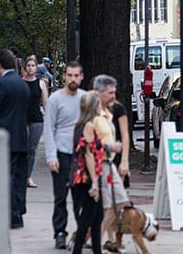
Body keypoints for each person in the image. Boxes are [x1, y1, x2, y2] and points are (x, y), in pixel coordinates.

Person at [43, 59, 85, 249]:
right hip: (61, 153)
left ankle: (83, 233)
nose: (73, 79)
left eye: (76, 75)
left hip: (82, 155)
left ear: (82, 77)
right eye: (70, 75)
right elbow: (49, 129)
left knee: (80, 198)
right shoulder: (55, 99)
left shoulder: (86, 99)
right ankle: (60, 232)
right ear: (64, 76)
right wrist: (51, 157)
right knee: (60, 196)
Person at [0, 48, 31, 229]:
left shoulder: (1, 84)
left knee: (7, 177)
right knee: (20, 178)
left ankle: (10, 214)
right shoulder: (22, 84)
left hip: (5, 139)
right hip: (22, 138)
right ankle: (18, 213)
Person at [92, 75, 128, 253]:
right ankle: (100, 239)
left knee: (117, 202)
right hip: (99, 162)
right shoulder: (92, 111)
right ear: (99, 93)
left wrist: (124, 159)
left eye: (115, 92)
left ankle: (100, 238)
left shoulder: (114, 109)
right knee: (109, 203)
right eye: (110, 92)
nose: (114, 95)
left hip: (110, 161)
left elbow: (124, 136)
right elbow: (89, 141)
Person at [70, 91, 105, 254]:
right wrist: (95, 182)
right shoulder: (89, 126)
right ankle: (77, 250)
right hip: (88, 178)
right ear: (92, 106)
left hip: (83, 178)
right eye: (98, 103)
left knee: (96, 219)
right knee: (86, 222)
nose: (101, 106)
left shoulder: (80, 125)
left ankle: (97, 250)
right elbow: (88, 154)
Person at [24, 54, 49, 188]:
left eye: (33, 65)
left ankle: (29, 177)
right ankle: (22, 175)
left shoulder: (41, 84)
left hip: (37, 120)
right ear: (25, 68)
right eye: (28, 65)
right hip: (23, 120)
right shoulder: (20, 83)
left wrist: (50, 119)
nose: (31, 68)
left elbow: (45, 103)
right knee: (24, 149)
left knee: (33, 149)